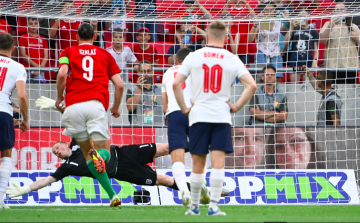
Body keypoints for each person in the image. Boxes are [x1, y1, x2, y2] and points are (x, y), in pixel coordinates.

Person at [173, 21, 257, 216]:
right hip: (221, 115)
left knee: (198, 164)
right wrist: (236, 106)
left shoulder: (194, 56)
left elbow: (177, 83)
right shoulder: (231, 58)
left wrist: (185, 108)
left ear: (207, 36)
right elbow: (252, 86)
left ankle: (194, 207)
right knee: (218, 163)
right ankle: (213, 206)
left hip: (198, 114)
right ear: (226, 36)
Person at [55, 23, 124, 207]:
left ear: (77, 37)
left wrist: (59, 97)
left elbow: (62, 74)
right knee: (104, 153)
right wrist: (116, 107)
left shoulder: (68, 51)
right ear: (95, 38)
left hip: (73, 107)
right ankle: (99, 155)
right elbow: (120, 85)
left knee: (89, 158)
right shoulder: (105, 54)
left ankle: (112, 196)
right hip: (95, 104)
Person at [162, 48, 210, 207]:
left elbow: (165, 103)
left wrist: (168, 117)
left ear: (176, 61)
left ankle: (184, 190)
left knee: (177, 156)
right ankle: (202, 185)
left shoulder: (167, 73)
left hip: (175, 114)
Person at [0, 33, 29, 209]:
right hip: (3, 112)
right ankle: (0, 199)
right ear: (13, 48)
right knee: (6, 156)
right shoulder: (17, 67)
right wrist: (25, 119)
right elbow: (22, 96)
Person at [319, 2, 360, 84]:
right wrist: (330, 27)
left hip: (350, 65)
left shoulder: (353, 26)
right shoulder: (328, 24)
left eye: (342, 9)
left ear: (347, 12)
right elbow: (322, 40)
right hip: (332, 65)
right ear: (333, 12)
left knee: (349, 90)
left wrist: (358, 38)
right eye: (337, 9)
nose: (339, 11)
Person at [248, 1, 288, 81]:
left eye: (271, 10)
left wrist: (289, 21)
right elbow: (249, 40)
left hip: (276, 53)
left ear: (275, 12)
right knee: (260, 77)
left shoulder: (278, 24)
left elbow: (288, 36)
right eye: (266, 10)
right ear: (263, 11)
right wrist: (255, 23)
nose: (269, 12)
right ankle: (261, 93)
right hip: (262, 52)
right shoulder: (259, 23)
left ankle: (276, 93)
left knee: (277, 76)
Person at [283, 9, 319, 83]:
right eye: (300, 16)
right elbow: (285, 42)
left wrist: (315, 62)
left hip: (308, 58)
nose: (302, 18)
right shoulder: (294, 29)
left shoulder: (313, 31)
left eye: (304, 16)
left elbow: (316, 50)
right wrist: (291, 27)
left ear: (308, 17)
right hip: (295, 58)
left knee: (308, 85)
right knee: (294, 85)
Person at [126, 61, 163, 126]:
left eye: (148, 71)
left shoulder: (161, 90)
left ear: (152, 72)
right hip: (138, 129)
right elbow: (130, 108)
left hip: (158, 129)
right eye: (143, 71)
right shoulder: (131, 90)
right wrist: (139, 88)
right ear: (138, 73)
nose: (146, 74)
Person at [19, 17, 49, 83]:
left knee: (41, 90)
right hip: (27, 69)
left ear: (39, 25)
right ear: (27, 25)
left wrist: (40, 69)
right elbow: (23, 55)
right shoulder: (23, 37)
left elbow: (46, 56)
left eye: (35, 23)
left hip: (40, 70)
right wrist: (37, 67)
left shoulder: (43, 39)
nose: (33, 25)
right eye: (31, 24)